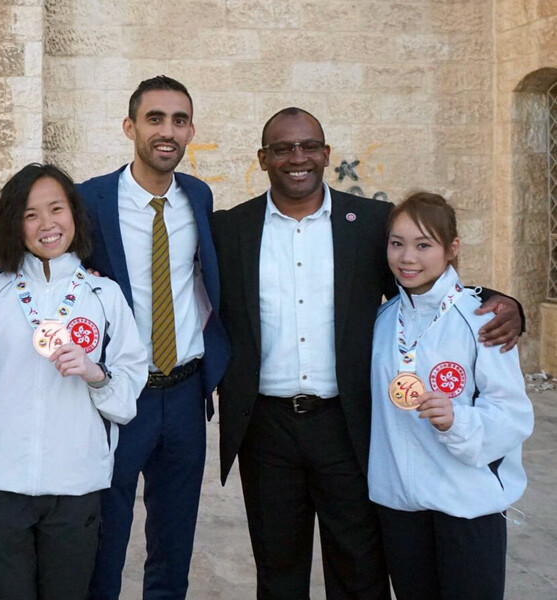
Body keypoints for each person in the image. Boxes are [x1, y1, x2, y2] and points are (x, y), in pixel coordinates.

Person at [211, 107, 523, 600]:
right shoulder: (229, 229)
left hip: (348, 426)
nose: (298, 158)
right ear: (263, 158)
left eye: (309, 146)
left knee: (359, 567)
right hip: (266, 431)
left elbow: (423, 276)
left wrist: (503, 302)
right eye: (283, 148)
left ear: (326, 154)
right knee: (277, 568)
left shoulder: (372, 223)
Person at [79, 75, 229, 600]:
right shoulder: (88, 200)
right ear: (130, 127)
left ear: (190, 131)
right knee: (106, 531)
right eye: (155, 118)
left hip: (187, 394)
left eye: (179, 120)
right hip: (120, 395)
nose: (168, 131)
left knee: (174, 536)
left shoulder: (199, 196)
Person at [0, 163, 147, 600]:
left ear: (75, 215)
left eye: (56, 209)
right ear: (14, 224)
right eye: (31, 214)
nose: (47, 224)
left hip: (77, 485)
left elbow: (127, 394)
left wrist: (95, 374)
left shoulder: (104, 295)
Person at [369, 192, 533, 600]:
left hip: (466, 507)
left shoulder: (485, 319)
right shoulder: (382, 321)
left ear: (452, 248)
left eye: (424, 245)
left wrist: (457, 420)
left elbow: (513, 415)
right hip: (400, 508)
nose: (408, 258)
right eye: (397, 243)